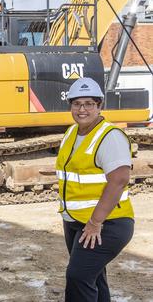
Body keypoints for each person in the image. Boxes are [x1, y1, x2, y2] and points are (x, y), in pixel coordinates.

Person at [56, 77, 135, 302]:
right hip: (75, 221)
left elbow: (119, 180)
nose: (82, 109)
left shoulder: (110, 136)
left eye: (89, 103)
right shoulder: (72, 133)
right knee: (94, 277)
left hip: (107, 223)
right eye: (77, 103)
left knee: (78, 277)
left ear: (100, 106)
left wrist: (95, 222)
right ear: (70, 106)